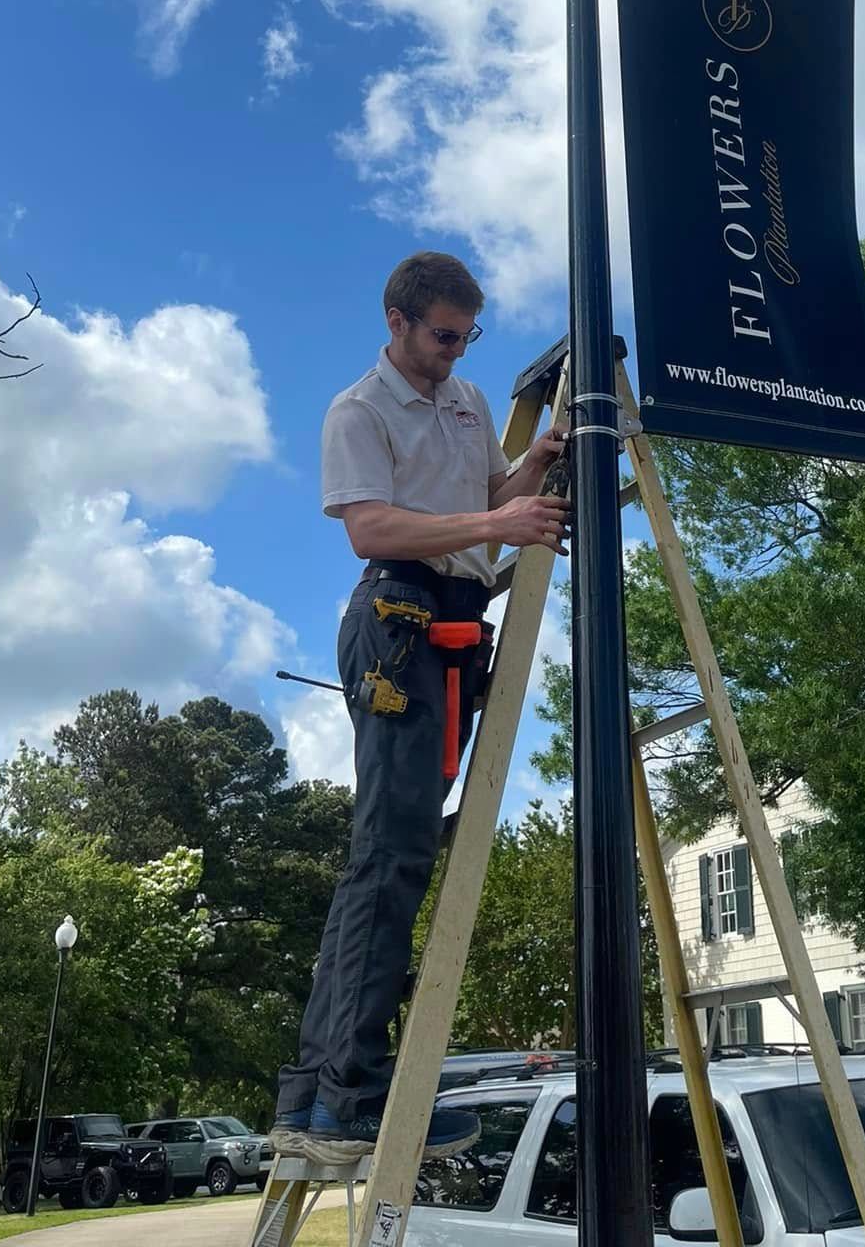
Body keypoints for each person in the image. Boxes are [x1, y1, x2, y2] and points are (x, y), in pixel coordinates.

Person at [272, 250, 569, 1165]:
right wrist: (495, 527)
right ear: (397, 320)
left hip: (451, 621)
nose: (454, 350)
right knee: (388, 855)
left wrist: (532, 472)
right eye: (443, 334)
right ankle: (345, 1098)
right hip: (395, 620)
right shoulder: (359, 411)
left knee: (397, 851)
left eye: (466, 335)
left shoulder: (470, 403)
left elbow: (482, 497)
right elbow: (373, 526)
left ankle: (319, 1094)